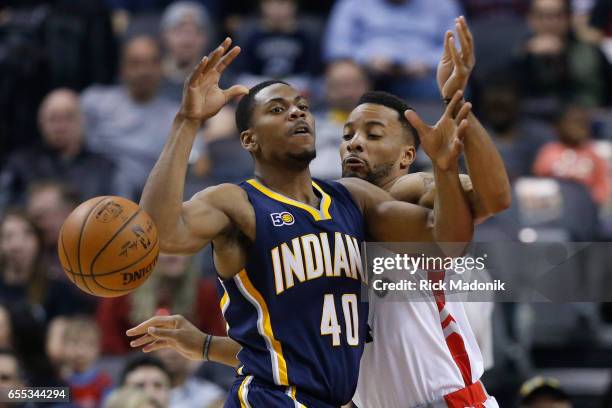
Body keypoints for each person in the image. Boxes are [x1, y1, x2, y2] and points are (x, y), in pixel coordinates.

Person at [130, 20, 510, 408]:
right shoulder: (242, 202)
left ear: (407, 156)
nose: (355, 144)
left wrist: (451, 141)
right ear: (249, 139)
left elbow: (476, 214)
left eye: (373, 135)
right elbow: (291, 350)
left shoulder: (390, 195)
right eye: (347, 136)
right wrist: (188, 121)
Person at [82, 36, 179, 200]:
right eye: (135, 64)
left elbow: (195, 165)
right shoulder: (93, 101)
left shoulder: (177, 116)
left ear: (161, 68)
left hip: (147, 197)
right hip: (93, 188)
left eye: (151, 63)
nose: (144, 71)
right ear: (122, 69)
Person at [0, 89, 118, 213]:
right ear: (41, 123)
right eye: (53, 119)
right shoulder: (20, 164)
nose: (60, 126)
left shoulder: (104, 168)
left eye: (69, 117)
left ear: (83, 121)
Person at [324, 0, 461, 100]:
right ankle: (342, 133)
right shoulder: (353, 4)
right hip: (368, 74)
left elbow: (457, 50)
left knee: (456, 86)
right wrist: (366, 59)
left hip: (423, 77)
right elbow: (337, 47)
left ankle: (440, 137)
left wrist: (427, 64)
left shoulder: (443, 4)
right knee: (343, 74)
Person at [97, 254, 226, 355]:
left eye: (180, 245)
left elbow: (219, 341)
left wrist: (197, 357)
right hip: (136, 373)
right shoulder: (120, 295)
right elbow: (110, 347)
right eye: (165, 246)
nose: (173, 254)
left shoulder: (207, 293)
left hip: (194, 374)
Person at [533, 104, 609, 204]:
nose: (580, 128)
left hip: (585, 207)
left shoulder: (593, 154)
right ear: (559, 126)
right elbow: (539, 179)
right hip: (556, 206)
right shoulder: (549, 151)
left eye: (584, 123)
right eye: (575, 122)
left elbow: (602, 186)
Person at [310, 60, 371, 180]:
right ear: (327, 88)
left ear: (367, 85)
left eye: (353, 84)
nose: (347, 92)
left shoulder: (384, 127)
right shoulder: (307, 126)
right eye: (339, 85)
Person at [159, 1, 212, 102]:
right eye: (179, 31)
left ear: (205, 38)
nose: (187, 40)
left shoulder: (217, 80)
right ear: (164, 35)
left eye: (196, 31)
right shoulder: (151, 78)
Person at [63, 316, 113, 408]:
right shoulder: (57, 381)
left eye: (89, 344)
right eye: (75, 343)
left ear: (98, 348)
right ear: (63, 345)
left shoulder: (104, 382)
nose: (80, 351)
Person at [154, 347, 225, 408]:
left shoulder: (210, 395)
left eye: (177, 347)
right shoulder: (146, 391)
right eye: (164, 348)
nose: (171, 353)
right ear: (154, 353)